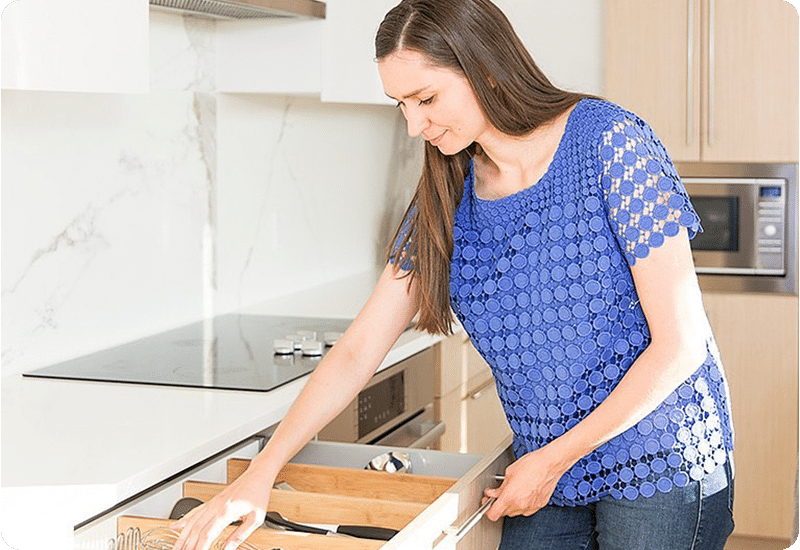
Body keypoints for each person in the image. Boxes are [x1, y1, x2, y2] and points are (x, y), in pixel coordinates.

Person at [172, 1, 735, 549]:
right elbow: (357, 350)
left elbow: (679, 345)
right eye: (402, 106)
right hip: (547, 469)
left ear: (483, 68)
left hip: (662, 457)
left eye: (426, 98)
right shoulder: (446, 199)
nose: (415, 125)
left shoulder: (610, 143)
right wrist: (262, 471)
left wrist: (549, 461)